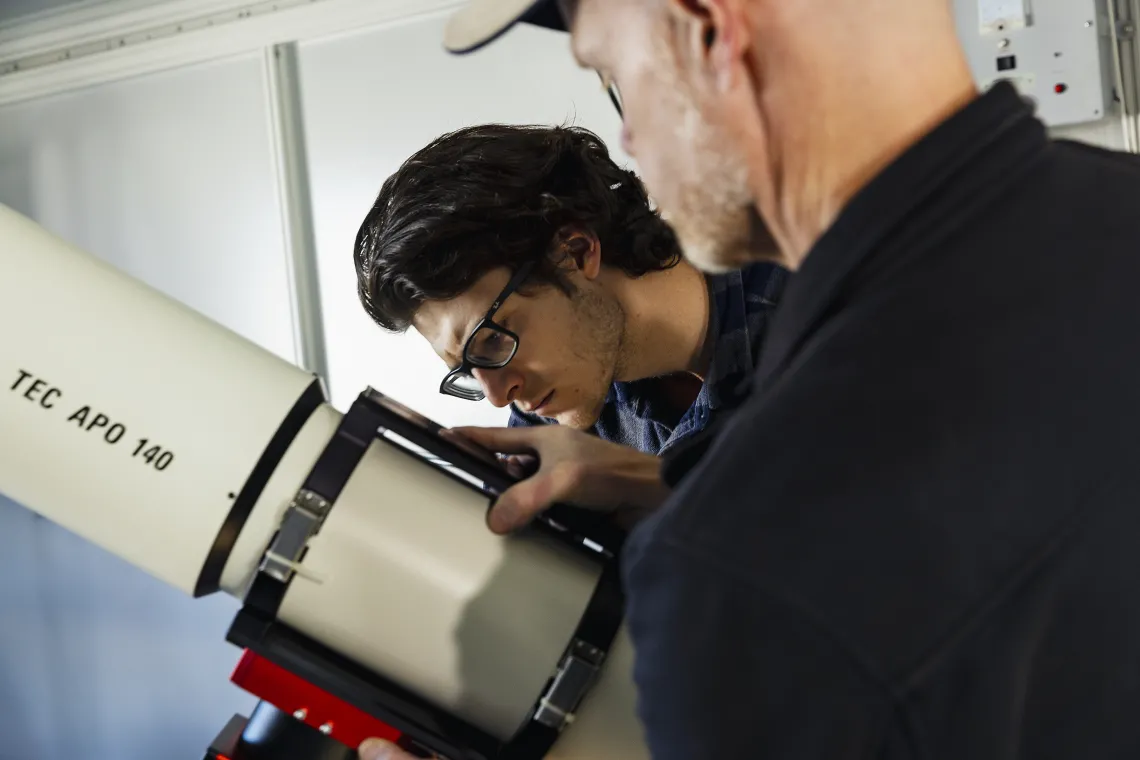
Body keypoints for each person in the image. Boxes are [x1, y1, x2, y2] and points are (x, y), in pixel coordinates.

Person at [362, 1, 1140, 759]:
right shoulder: (1099, 229)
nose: (628, 135)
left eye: (613, 74)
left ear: (711, 28)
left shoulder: (719, 565)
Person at [353, 122, 786, 457]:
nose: (500, 397)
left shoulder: (813, 299)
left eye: (491, 342)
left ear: (576, 253)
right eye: (469, 371)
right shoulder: (553, 424)